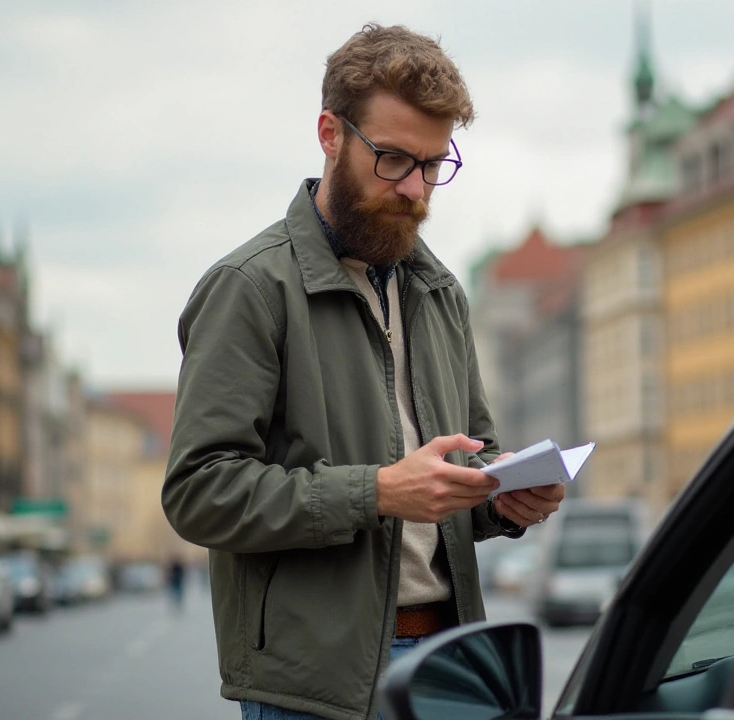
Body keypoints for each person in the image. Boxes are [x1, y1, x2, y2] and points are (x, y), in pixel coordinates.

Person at [162, 22, 565, 720]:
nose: (415, 188)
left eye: (434, 165)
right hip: (315, 692)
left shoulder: (441, 293)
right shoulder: (249, 287)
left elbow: (473, 450)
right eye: (393, 160)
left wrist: (502, 497)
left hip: (454, 663)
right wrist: (376, 492)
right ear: (330, 134)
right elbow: (199, 491)